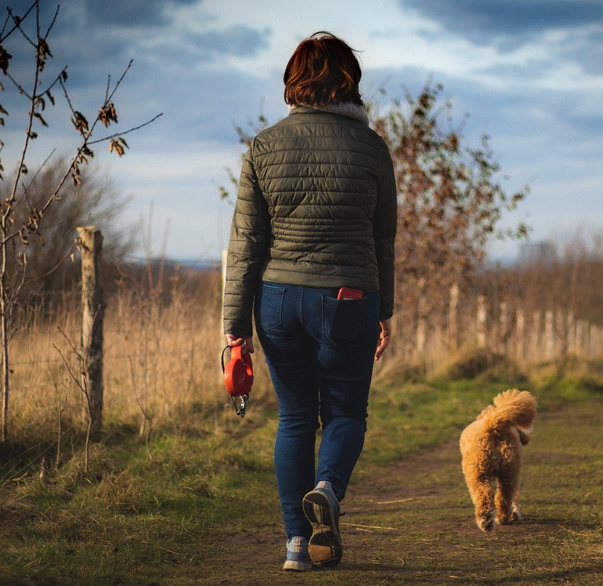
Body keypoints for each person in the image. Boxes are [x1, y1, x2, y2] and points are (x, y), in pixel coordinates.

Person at [222, 31, 397, 572]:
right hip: (348, 297)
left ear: (294, 84)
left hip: (276, 301)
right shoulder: (372, 148)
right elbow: (383, 237)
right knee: (345, 413)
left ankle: (297, 545)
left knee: (295, 418)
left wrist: (234, 326)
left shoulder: (265, 146)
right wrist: (384, 308)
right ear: (350, 84)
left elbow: (245, 242)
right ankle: (327, 488)